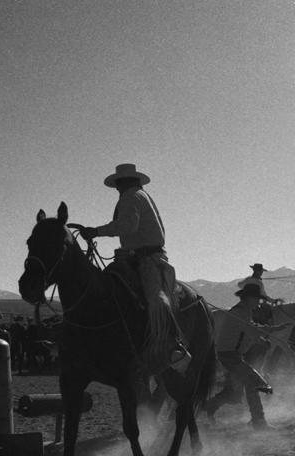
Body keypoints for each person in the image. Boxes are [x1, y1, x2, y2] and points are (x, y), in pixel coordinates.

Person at [68, 162, 191, 372]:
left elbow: (128, 225)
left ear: (124, 182)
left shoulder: (131, 197)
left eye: (118, 183)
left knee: (156, 299)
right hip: (133, 257)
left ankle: (173, 344)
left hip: (146, 259)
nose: (117, 188)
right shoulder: (141, 196)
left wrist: (95, 232)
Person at [205, 280, 276, 429]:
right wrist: (268, 335)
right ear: (249, 299)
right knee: (253, 383)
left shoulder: (243, 312)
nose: (258, 302)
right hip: (230, 356)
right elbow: (251, 331)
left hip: (231, 355)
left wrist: (268, 334)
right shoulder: (239, 313)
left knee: (233, 393)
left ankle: (205, 408)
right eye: (257, 299)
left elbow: (251, 329)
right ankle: (259, 421)